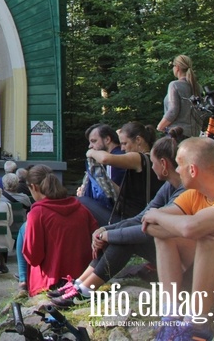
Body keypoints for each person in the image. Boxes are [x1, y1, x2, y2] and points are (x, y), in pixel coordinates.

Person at [50, 131, 185, 308]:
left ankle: (86, 290)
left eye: (153, 163)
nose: (151, 168)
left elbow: (149, 230)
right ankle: (80, 284)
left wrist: (110, 236)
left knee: (124, 239)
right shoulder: (170, 186)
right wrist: (104, 231)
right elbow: (140, 217)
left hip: (181, 262)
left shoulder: (183, 192)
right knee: (116, 235)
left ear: (164, 164)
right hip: (168, 250)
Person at [142, 136, 214, 340]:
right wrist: (163, 220)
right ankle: (171, 316)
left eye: (179, 164)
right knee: (168, 235)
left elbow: (191, 228)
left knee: (210, 237)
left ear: (192, 170)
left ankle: (198, 326)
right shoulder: (193, 195)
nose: (177, 170)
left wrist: (158, 214)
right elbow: (151, 227)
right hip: (211, 273)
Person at [22, 165, 97, 296]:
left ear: (33, 187)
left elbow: (33, 257)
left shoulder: (37, 213)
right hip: (83, 279)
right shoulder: (82, 209)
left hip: (50, 283)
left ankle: (22, 281)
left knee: (24, 229)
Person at [86, 121, 161, 222]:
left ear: (138, 140)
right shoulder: (150, 159)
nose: (122, 148)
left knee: (82, 201)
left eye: (124, 143)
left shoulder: (138, 158)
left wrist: (91, 152)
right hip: (134, 217)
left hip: (134, 219)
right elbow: (122, 193)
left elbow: (105, 159)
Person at [76, 124, 126, 225]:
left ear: (107, 139)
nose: (90, 146)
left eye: (94, 141)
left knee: (78, 202)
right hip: (124, 213)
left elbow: (116, 195)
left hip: (120, 216)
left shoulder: (114, 161)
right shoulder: (120, 156)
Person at [157, 54, 202, 137]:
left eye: (173, 66)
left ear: (177, 67)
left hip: (177, 133)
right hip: (195, 134)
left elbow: (173, 111)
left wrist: (160, 126)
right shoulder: (197, 87)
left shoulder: (174, 85)